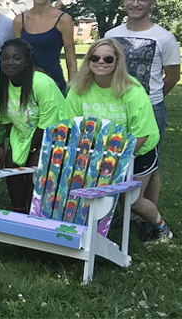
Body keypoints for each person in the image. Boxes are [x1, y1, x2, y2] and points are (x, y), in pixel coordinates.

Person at [62, 38, 170, 242]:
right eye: (95, 57)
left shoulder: (132, 89)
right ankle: (89, 229)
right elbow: (73, 127)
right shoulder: (78, 89)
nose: (100, 62)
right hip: (98, 151)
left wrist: (116, 162)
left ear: (117, 61)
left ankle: (162, 228)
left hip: (138, 149)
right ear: (88, 60)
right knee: (89, 191)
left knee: (131, 200)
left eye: (108, 58)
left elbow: (141, 133)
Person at [105, 0, 179, 239]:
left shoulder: (164, 38)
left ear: (151, 4)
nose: (136, 3)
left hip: (151, 108)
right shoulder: (112, 35)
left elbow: (172, 76)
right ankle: (118, 212)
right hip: (117, 109)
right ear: (125, 1)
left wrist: (152, 99)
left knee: (150, 164)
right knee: (114, 159)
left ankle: (148, 218)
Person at [0, 39, 65, 212]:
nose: (10, 62)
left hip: (54, 136)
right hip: (22, 134)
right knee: (12, 166)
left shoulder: (41, 83)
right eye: (5, 58)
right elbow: (7, 120)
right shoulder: (3, 84)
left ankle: (36, 214)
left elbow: (48, 124)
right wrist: (15, 146)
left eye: (16, 58)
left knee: (35, 168)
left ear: (26, 61)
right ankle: (18, 212)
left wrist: (31, 150)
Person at [14, 0, 76, 93]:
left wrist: (74, 90)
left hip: (55, 85)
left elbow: (71, 59)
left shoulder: (63, 20)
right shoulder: (19, 20)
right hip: (27, 86)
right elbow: (17, 57)